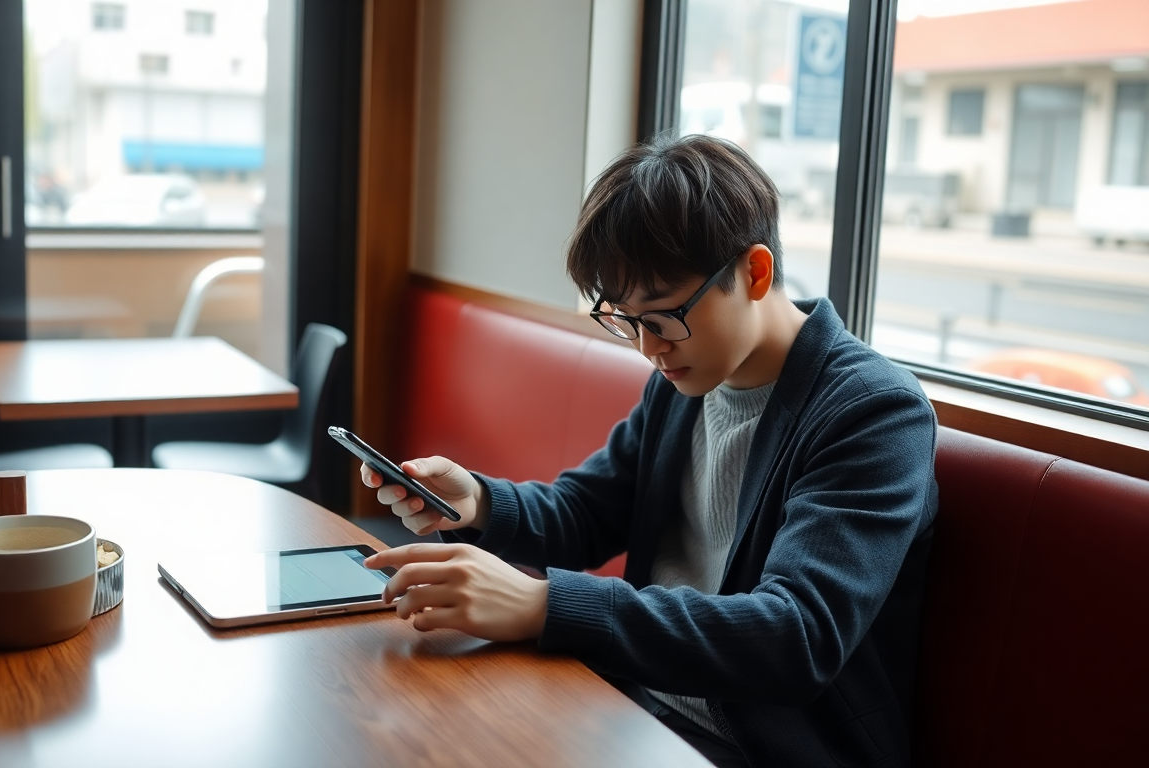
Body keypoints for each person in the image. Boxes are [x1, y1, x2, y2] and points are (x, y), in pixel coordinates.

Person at [360, 133, 937, 768]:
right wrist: (478, 502)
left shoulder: (872, 411)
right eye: (625, 320)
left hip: (759, 747)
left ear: (755, 272)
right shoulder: (686, 379)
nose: (647, 348)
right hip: (632, 704)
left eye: (661, 318)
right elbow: (587, 512)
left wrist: (543, 604)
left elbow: (795, 637)